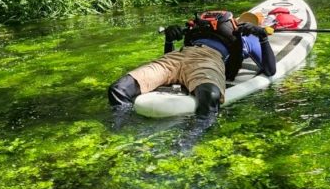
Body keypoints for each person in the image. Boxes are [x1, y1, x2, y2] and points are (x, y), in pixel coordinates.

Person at [108, 10, 277, 118]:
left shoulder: (249, 36)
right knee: (118, 89)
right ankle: (122, 126)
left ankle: (190, 141)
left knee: (210, 97)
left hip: (210, 59)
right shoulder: (205, 27)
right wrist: (169, 39)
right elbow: (171, 67)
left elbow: (270, 70)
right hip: (178, 56)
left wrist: (261, 36)